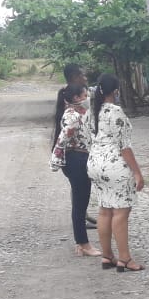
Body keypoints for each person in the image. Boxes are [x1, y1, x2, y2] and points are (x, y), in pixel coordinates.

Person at [87, 74, 145, 272]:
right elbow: (124, 147)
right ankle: (125, 258)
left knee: (104, 210)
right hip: (115, 166)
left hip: (95, 163)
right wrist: (137, 173)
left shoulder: (92, 111)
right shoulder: (116, 112)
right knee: (121, 212)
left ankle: (107, 256)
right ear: (116, 91)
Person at [51, 83, 100, 257]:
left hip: (79, 159)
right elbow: (64, 136)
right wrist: (56, 157)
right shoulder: (72, 116)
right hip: (76, 160)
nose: (87, 98)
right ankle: (83, 244)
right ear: (76, 98)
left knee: (81, 202)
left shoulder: (79, 113)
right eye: (85, 95)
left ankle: (81, 243)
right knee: (80, 204)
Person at [52, 64, 87, 148]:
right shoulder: (75, 107)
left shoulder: (66, 94)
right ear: (75, 77)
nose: (85, 78)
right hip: (77, 148)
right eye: (82, 75)